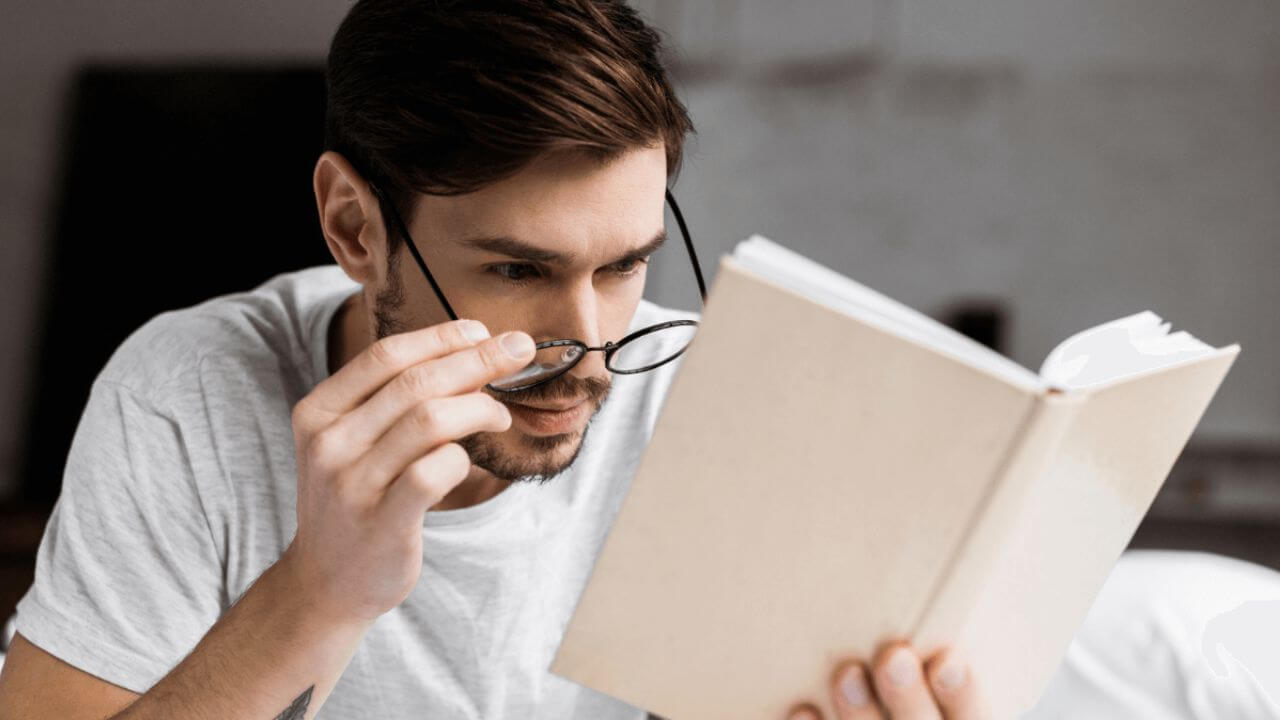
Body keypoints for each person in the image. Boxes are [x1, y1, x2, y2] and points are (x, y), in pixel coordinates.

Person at [0, 1, 986, 718]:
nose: (589, 346)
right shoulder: (187, 393)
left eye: (624, 265)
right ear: (354, 228)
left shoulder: (708, 402)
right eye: (518, 269)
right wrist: (319, 591)